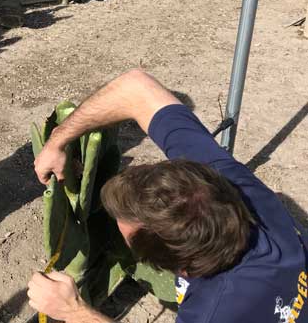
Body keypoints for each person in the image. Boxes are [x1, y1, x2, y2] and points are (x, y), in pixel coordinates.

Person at [29, 69, 307, 323]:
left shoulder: (214, 310)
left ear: (182, 269)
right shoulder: (231, 183)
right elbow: (136, 88)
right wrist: (58, 139)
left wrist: (73, 310)